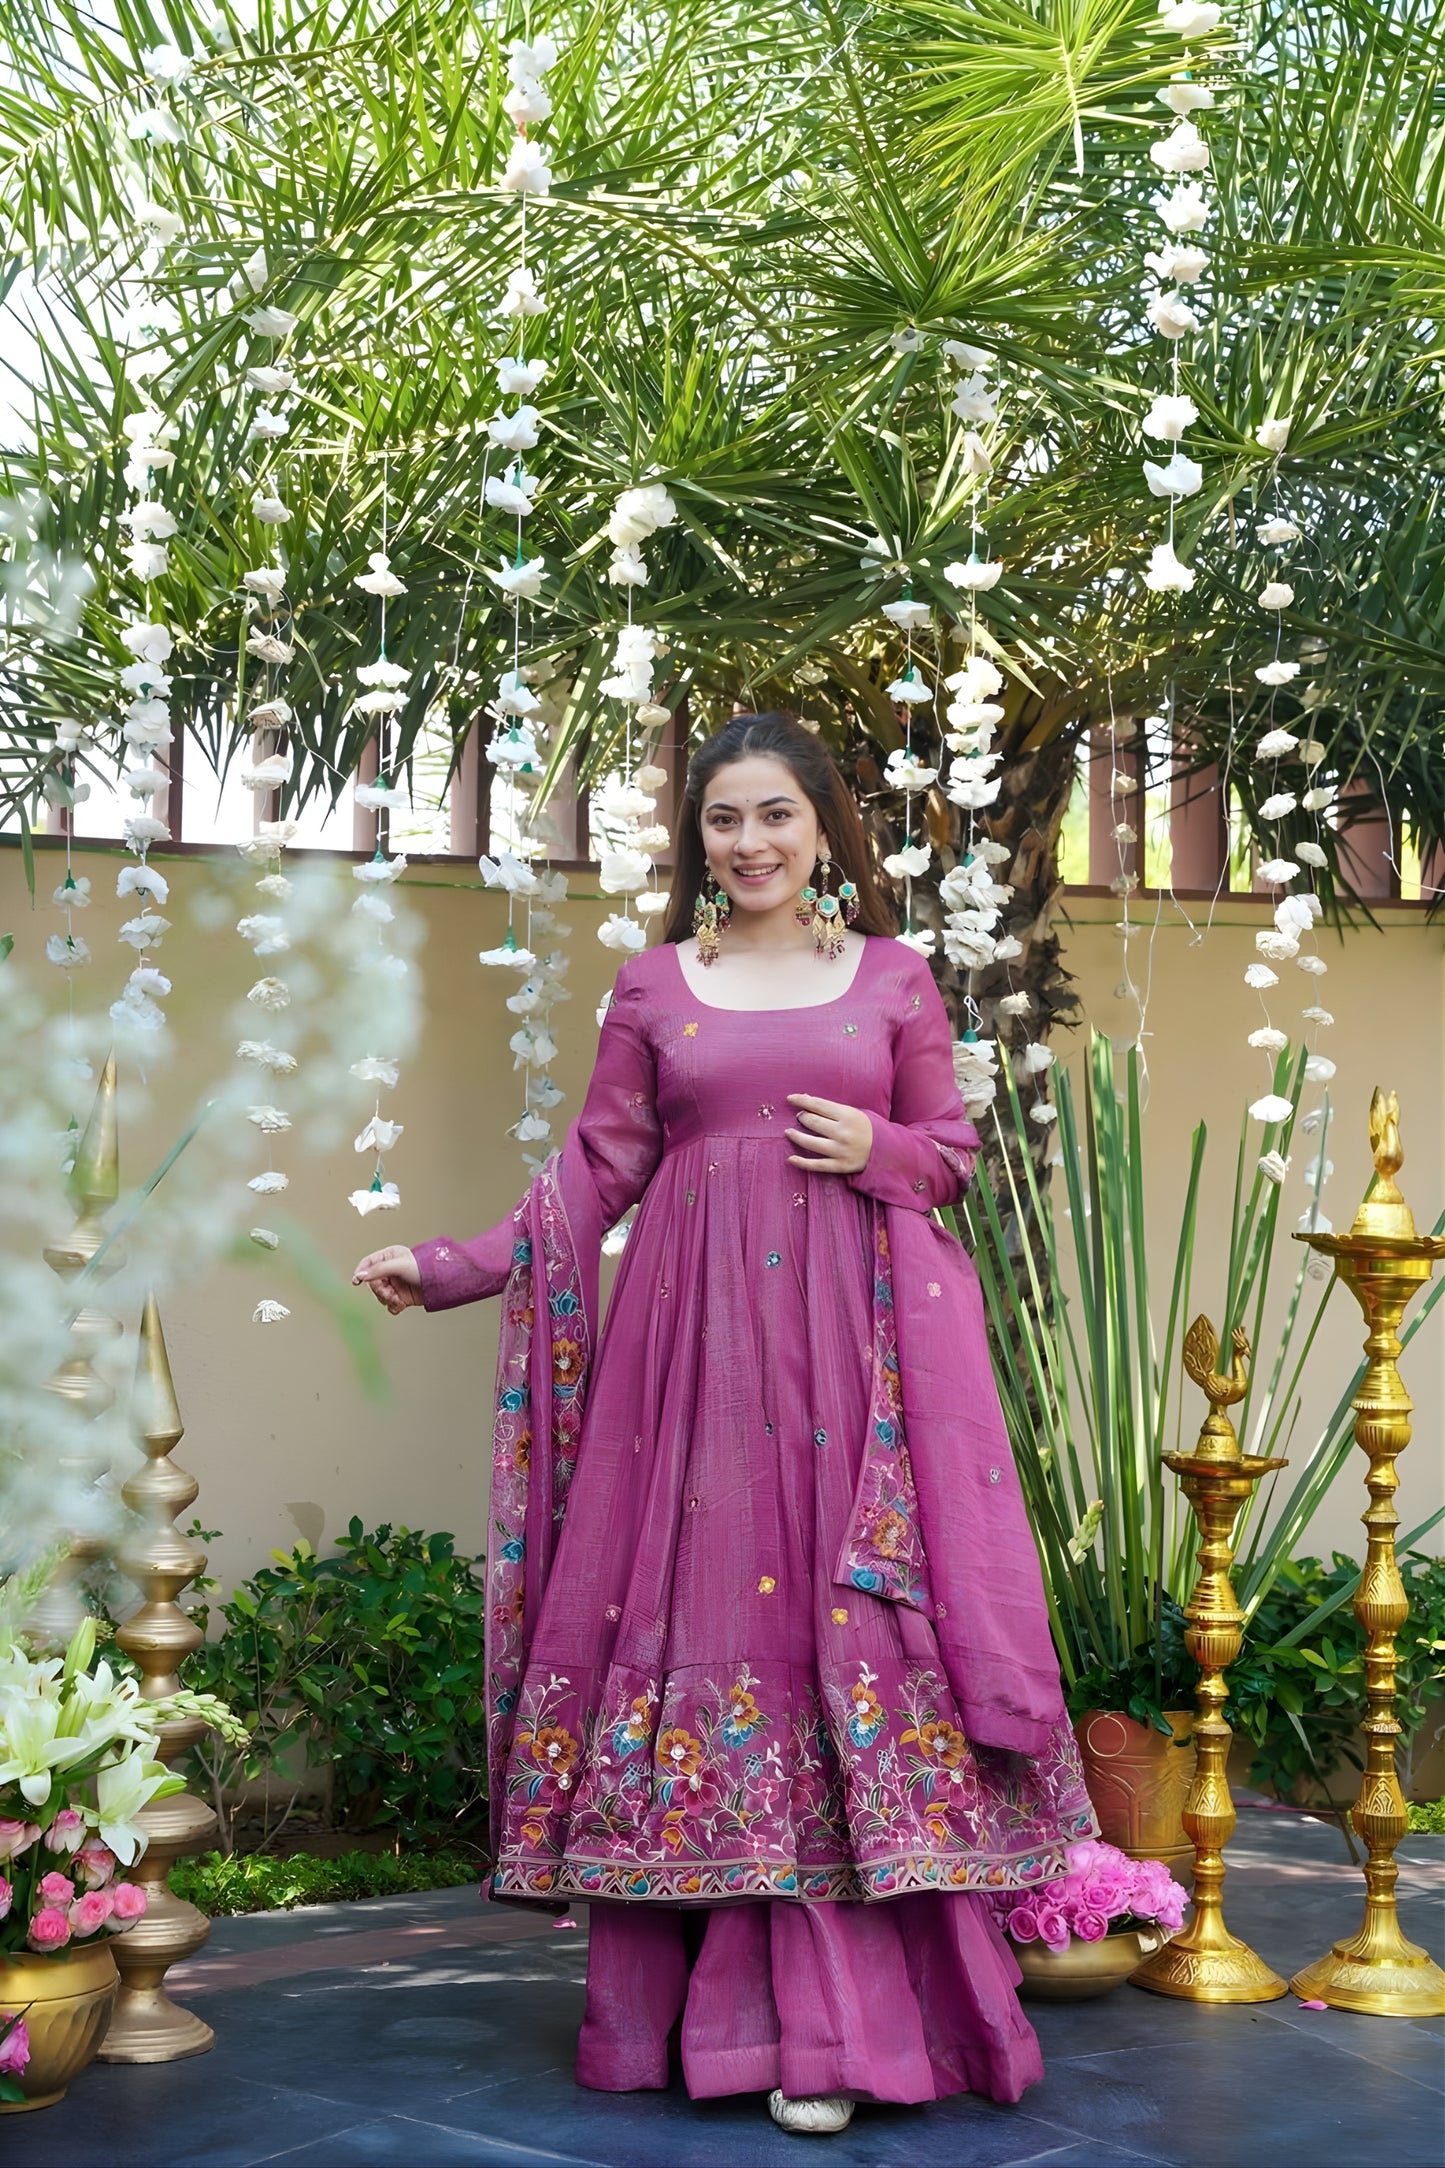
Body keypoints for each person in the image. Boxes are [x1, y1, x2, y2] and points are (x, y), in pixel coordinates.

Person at [354, 712, 1093, 2135]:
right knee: (714, 1639)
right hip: (692, 1374)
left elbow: (947, 1153)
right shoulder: (651, 988)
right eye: (722, 822)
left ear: (824, 828)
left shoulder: (888, 978)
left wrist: (873, 1147)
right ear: (698, 842)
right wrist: (455, 1266)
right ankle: (725, 2028)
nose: (748, 844)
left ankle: (843, 2031)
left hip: (855, 1369)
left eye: (773, 817)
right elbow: (596, 1170)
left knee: (855, 1629)